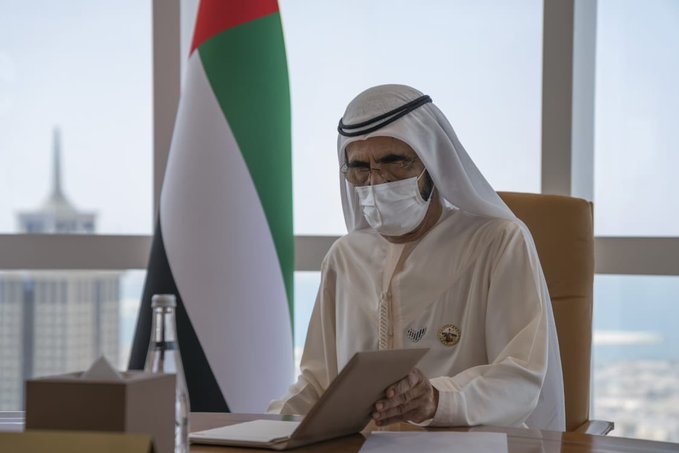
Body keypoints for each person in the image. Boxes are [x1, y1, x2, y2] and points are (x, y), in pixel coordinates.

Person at [268, 84, 566, 431]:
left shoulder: (497, 242)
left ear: (431, 162)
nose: (376, 181)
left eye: (394, 162)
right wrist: (265, 426)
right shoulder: (345, 257)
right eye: (360, 168)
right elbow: (319, 384)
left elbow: (519, 378)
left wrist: (439, 400)